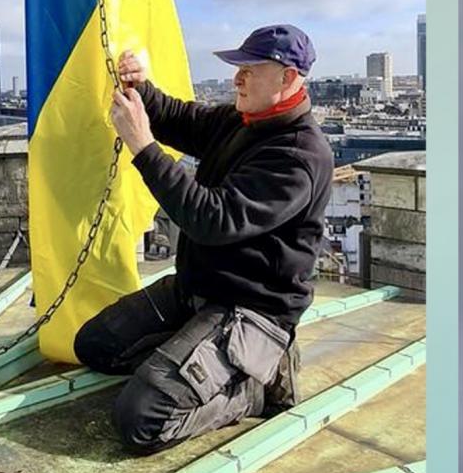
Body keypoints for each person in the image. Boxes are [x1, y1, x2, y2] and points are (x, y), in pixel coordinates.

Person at [78, 23, 335, 451]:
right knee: (94, 345)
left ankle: (253, 387)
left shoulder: (300, 156)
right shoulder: (244, 120)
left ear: (288, 78)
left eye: (250, 69)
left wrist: (143, 147)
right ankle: (199, 359)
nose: (238, 78)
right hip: (197, 290)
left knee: (142, 419)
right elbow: (183, 119)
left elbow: (212, 219)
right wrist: (142, 89)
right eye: (239, 67)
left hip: (250, 311)